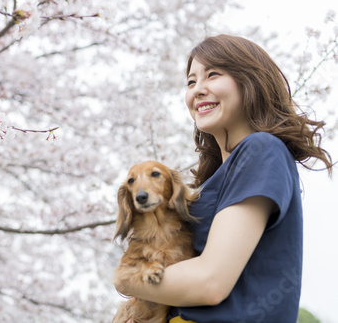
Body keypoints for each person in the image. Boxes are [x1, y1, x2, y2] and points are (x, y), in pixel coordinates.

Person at [113, 34, 334, 323]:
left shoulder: (261, 149)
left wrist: (125, 280)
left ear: (249, 80)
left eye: (212, 75)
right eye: (191, 82)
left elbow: (210, 281)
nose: (198, 90)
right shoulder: (213, 181)